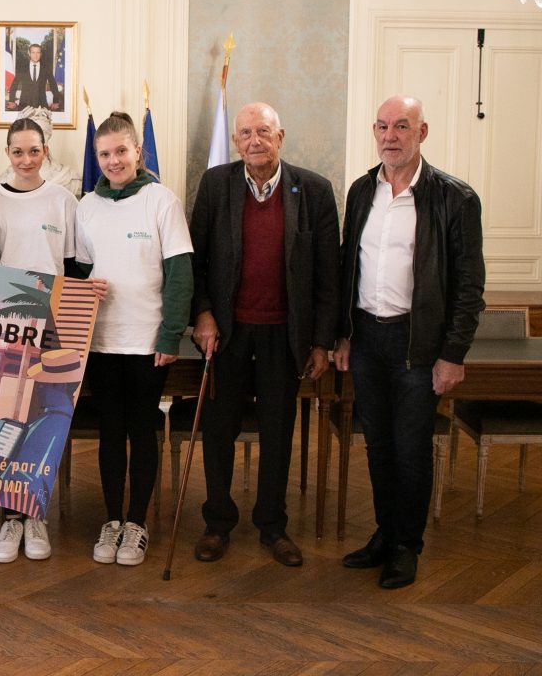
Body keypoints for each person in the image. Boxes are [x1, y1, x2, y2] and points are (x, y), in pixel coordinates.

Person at [335, 95, 484, 589]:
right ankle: (385, 532)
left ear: (422, 132)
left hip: (418, 344)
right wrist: (343, 335)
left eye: (401, 126)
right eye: (382, 126)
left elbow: (468, 285)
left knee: (411, 448)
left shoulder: (455, 199)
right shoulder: (361, 191)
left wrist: (452, 354)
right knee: (377, 445)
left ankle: (407, 546)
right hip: (368, 337)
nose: (390, 136)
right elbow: (345, 269)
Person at [188, 102, 339, 568]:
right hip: (228, 333)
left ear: (281, 136)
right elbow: (196, 259)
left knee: (278, 432)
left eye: (263, 132)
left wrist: (321, 341)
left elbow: (328, 276)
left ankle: (272, 526)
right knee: (218, 431)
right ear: (235, 141)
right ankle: (217, 522)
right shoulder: (216, 185)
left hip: (284, 335)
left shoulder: (313, 190)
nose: (254, 140)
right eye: (246, 133)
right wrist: (204, 314)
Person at [73, 111, 193, 566]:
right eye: (104, 153)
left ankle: (137, 522)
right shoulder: (86, 206)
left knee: (142, 431)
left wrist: (171, 334)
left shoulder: (162, 201)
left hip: (147, 340)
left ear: (138, 152)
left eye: (121, 151)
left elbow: (180, 273)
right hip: (102, 340)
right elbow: (79, 273)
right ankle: (111, 520)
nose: (113, 160)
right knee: (109, 433)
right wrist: (84, 293)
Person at [0, 116, 81, 563]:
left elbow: (74, 268)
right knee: (9, 416)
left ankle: (35, 510)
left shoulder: (63, 200)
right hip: (4, 323)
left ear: (46, 151)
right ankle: (9, 518)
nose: (26, 159)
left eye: (34, 150)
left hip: (51, 325)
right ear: (7, 154)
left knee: (50, 416)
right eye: (17, 151)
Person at [7, 44, 61, 112]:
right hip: (24, 107)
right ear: (29, 53)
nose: (35, 55)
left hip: (42, 107)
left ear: (41, 54)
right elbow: (14, 85)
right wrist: (11, 101)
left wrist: (56, 101)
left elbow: (53, 84)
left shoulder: (46, 68)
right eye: (33, 52)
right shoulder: (22, 68)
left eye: (38, 52)